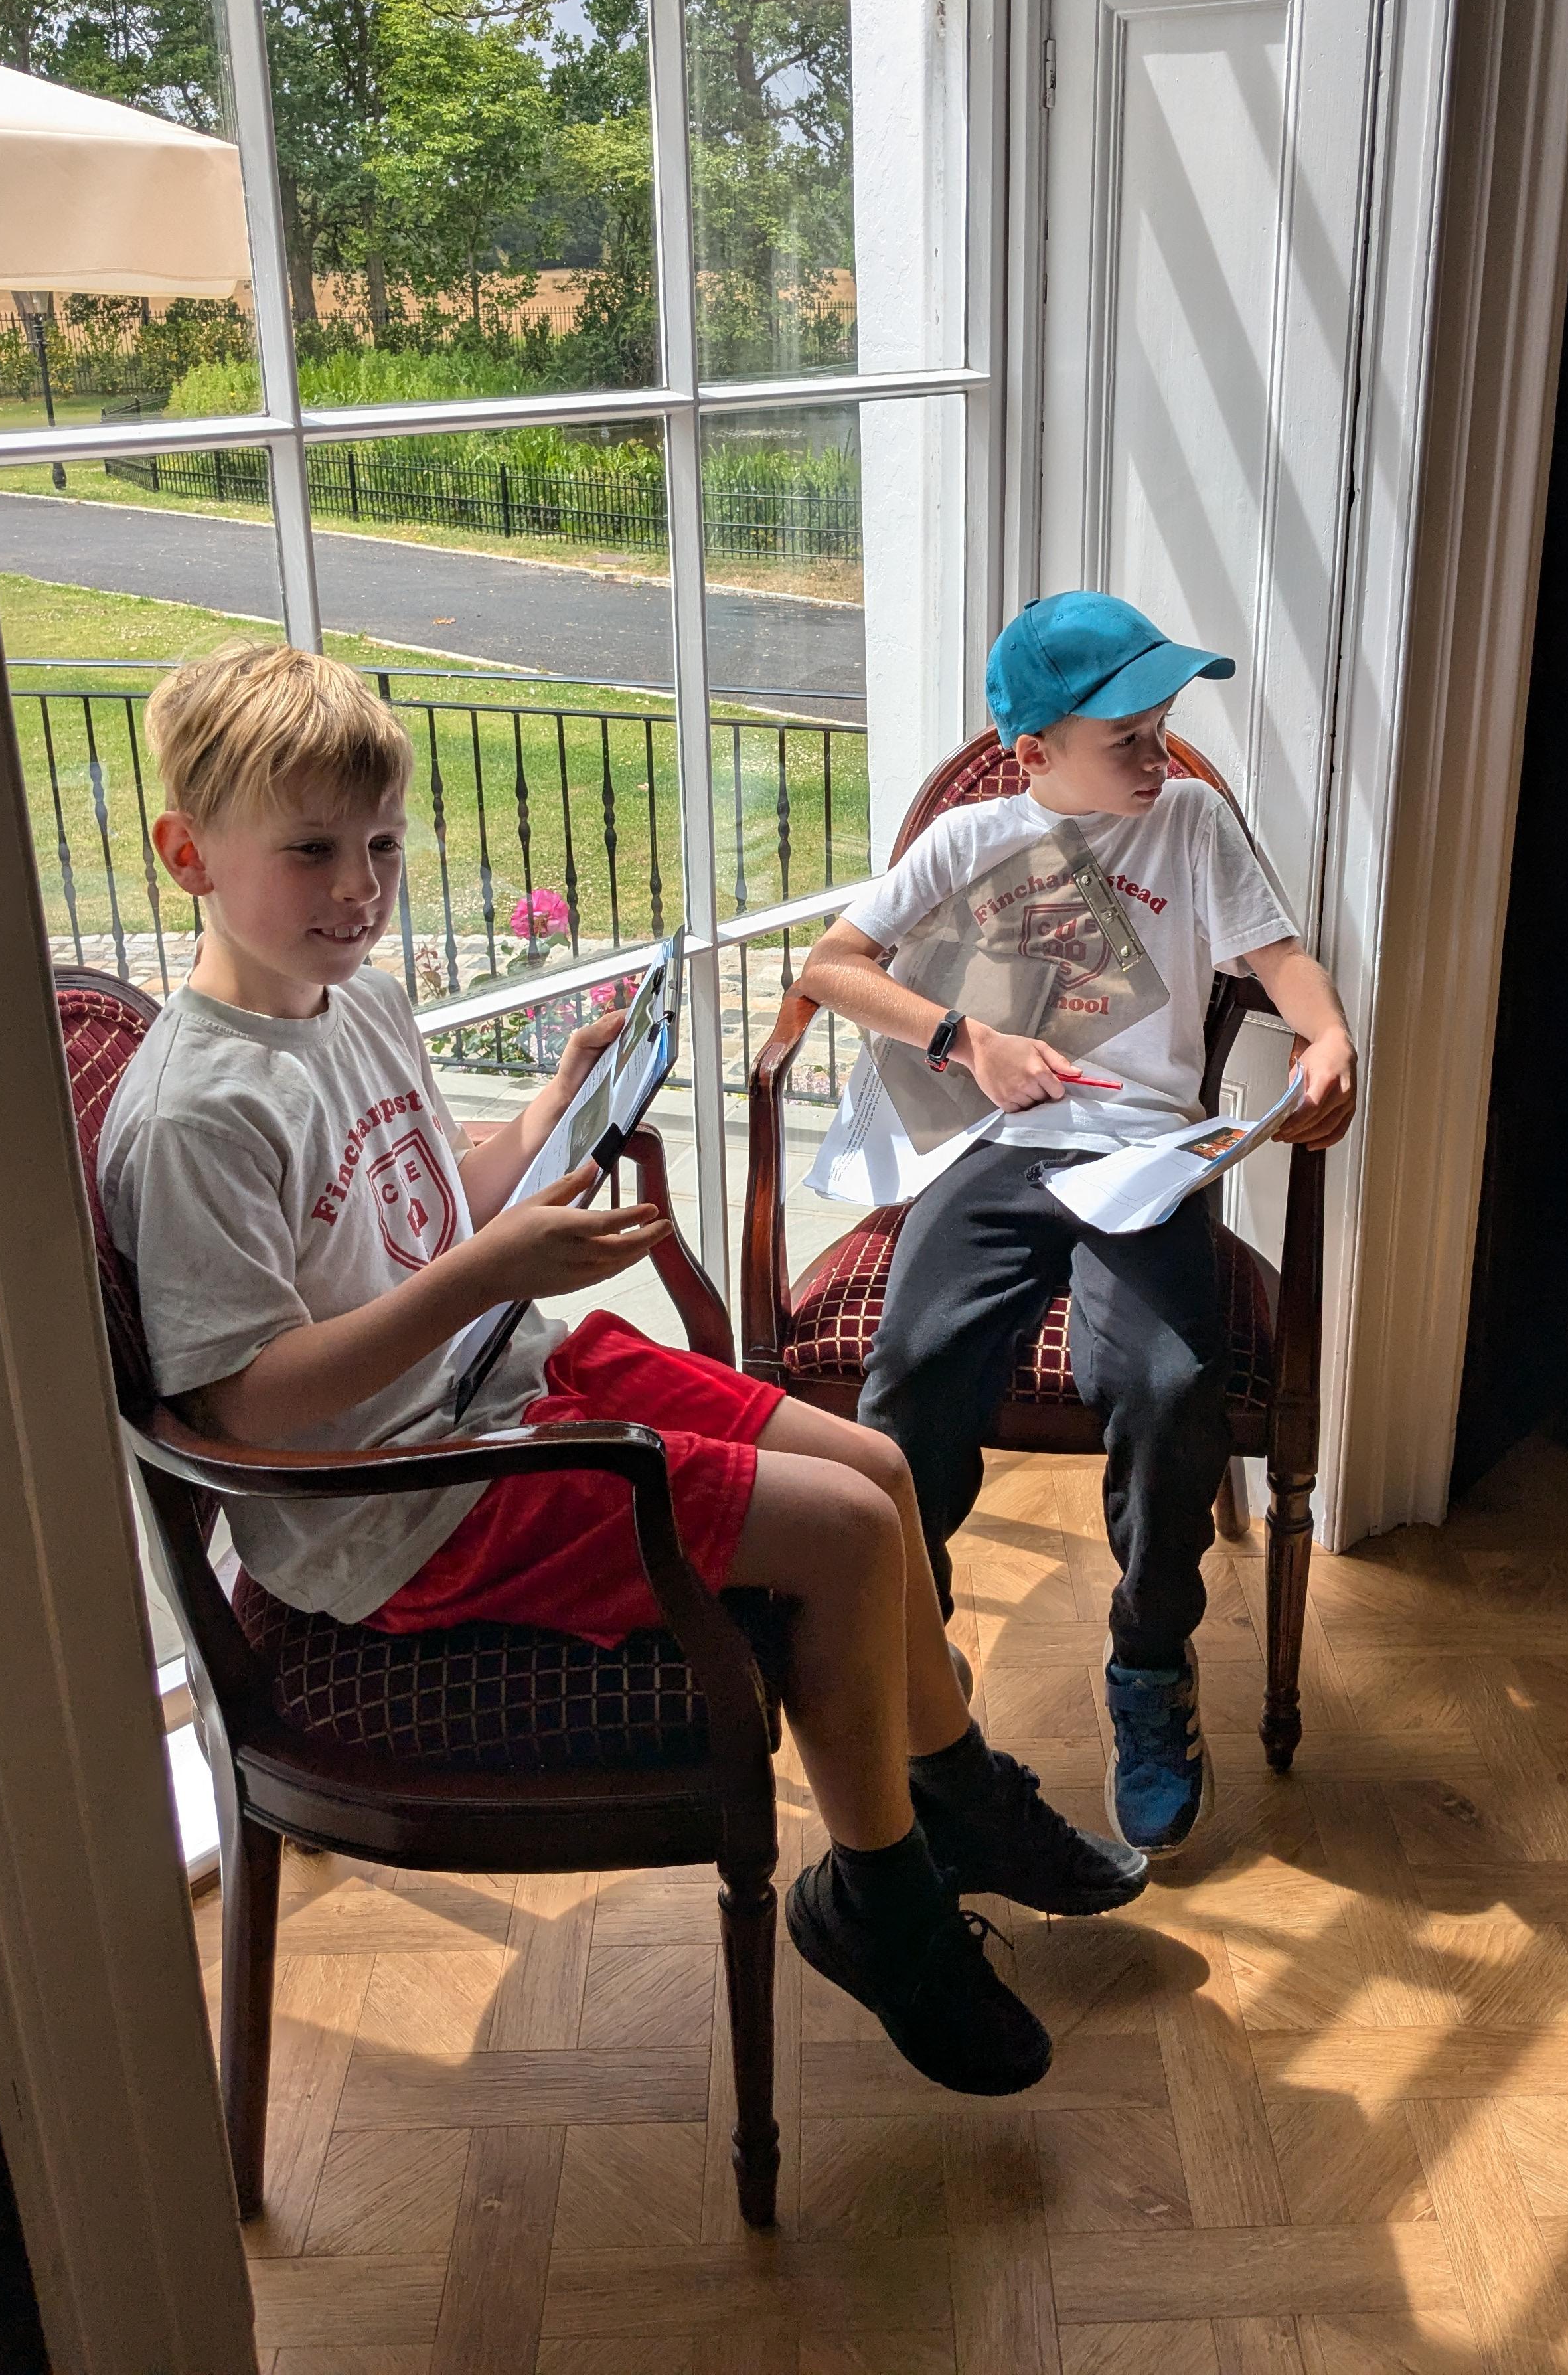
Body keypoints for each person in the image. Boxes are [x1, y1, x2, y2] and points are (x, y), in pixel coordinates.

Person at [100, 641, 1150, 2101]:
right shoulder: (197, 1115)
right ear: (187, 856)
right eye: (313, 851)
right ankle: (881, 1898)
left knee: (879, 1469)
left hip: (499, 1376)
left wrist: (553, 1105)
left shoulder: (362, 1004)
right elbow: (250, 1405)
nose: (360, 887)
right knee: (845, 1534)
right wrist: (491, 1275)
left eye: (384, 846)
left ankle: (953, 1787)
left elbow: (428, 1207)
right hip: (401, 1501)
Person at [797, 594, 1359, 1857]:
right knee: (911, 1374)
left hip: (1147, 1159)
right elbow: (830, 968)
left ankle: (1150, 1665)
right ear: (1033, 751)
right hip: (999, 1149)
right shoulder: (971, 840)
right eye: (1129, 740)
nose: (1160, 758)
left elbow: (1282, 963)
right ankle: (915, 1647)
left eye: (1163, 728)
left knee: (1166, 1385)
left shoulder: (1194, 823)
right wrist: (969, 1041)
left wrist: (1328, 1036)